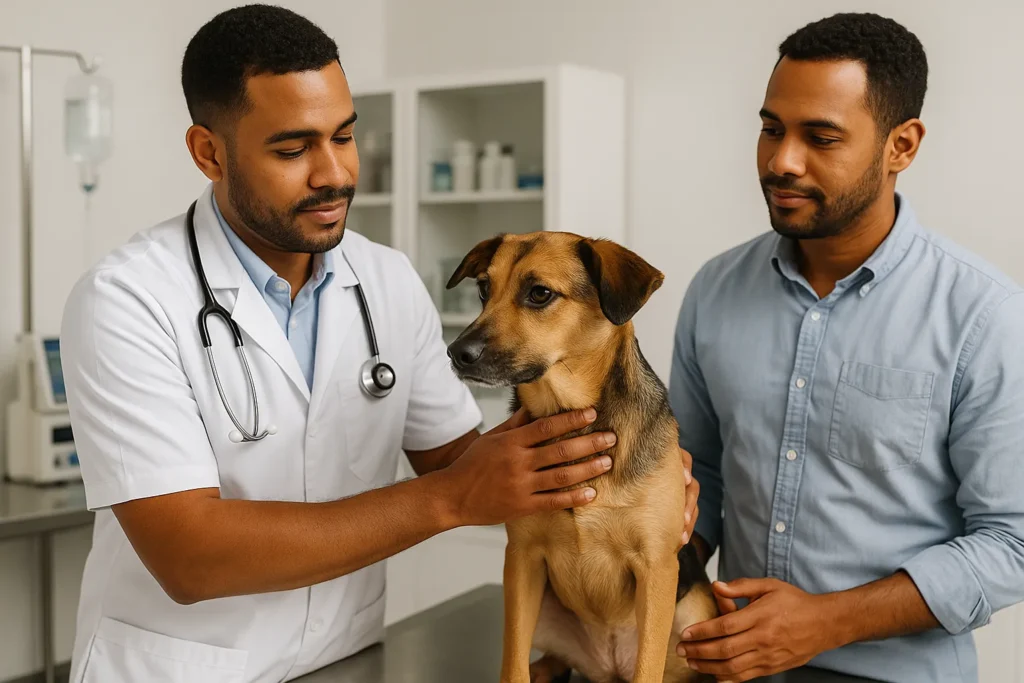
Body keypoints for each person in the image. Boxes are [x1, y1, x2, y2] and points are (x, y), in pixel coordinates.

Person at [58, 6, 699, 682]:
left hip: (344, 660)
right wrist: (452, 497)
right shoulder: (126, 298)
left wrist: (644, 472)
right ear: (209, 153)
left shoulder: (385, 280)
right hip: (180, 671)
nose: (333, 173)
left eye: (344, 136)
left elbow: (463, 459)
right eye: (291, 148)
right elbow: (189, 557)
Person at [669, 12, 1024, 683]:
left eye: (820, 137)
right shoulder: (714, 290)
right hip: (730, 669)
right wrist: (614, 623)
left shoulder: (987, 316)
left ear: (902, 145)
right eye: (771, 127)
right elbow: (700, 477)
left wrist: (825, 620)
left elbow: (1014, 541)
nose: (781, 161)